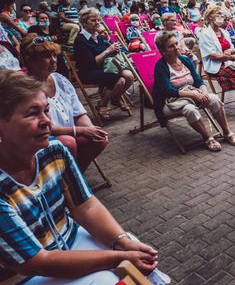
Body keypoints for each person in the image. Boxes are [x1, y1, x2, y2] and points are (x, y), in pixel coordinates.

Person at [0, 70, 160, 284]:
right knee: (115, 276)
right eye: (32, 113)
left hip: (72, 240)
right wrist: (117, 257)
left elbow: (85, 205)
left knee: (139, 259)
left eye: (46, 110)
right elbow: (36, 261)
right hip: (30, 274)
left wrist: (121, 241)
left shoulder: (53, 151)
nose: (47, 121)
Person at [21, 36, 109, 172]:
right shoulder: (26, 88)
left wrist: (90, 128)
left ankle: (74, 174)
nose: (53, 60)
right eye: (46, 56)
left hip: (70, 134)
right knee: (68, 142)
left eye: (54, 55)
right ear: (29, 59)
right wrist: (79, 130)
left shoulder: (60, 80)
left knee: (100, 138)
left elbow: (78, 111)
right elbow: (44, 127)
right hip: (42, 138)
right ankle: (68, 180)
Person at [153, 31, 235, 152]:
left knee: (214, 99)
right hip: (170, 101)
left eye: (176, 43)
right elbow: (167, 90)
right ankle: (207, 138)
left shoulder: (185, 60)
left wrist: (203, 92)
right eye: (171, 46)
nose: (176, 48)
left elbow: (198, 80)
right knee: (189, 109)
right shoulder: (160, 66)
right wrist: (193, 94)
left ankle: (227, 132)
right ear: (163, 51)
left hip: (191, 94)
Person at [73, 8, 135, 120]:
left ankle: (115, 98)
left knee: (129, 76)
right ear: (84, 22)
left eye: (98, 19)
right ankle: (102, 104)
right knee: (120, 80)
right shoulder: (80, 40)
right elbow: (91, 63)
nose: (97, 22)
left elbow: (108, 55)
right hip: (89, 72)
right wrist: (108, 51)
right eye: (93, 20)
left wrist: (114, 49)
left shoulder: (97, 36)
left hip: (105, 68)